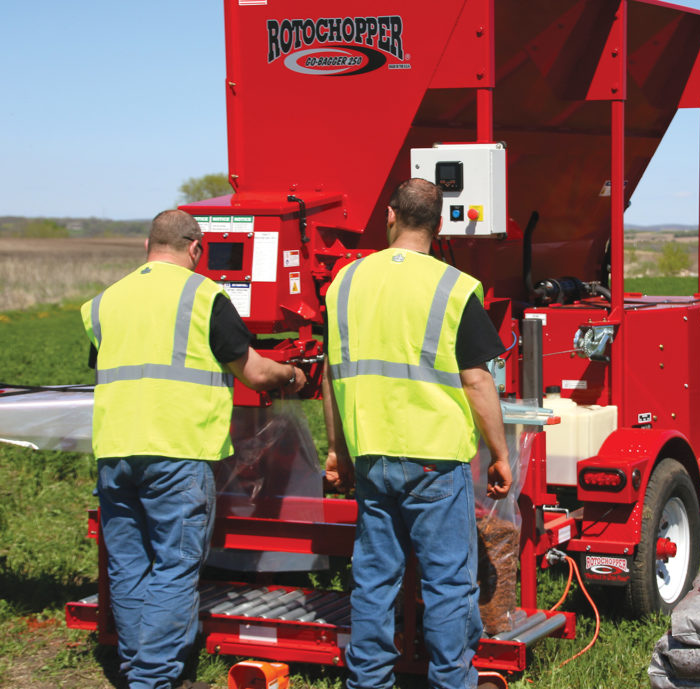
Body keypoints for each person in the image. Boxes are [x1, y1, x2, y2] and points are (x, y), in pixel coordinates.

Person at [81, 209, 307, 689]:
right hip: (177, 452)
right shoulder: (205, 296)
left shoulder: (105, 301)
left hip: (115, 451)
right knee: (174, 566)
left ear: (147, 246)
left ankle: (137, 669)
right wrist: (294, 374)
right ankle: (153, 678)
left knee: (129, 565)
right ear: (197, 250)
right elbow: (254, 373)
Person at [321, 178, 513, 689]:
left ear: (390, 216)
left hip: (370, 458)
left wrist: (337, 451)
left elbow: (331, 376)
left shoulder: (343, 283)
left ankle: (368, 682)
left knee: (373, 580)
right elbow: (477, 380)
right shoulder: (453, 287)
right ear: (441, 224)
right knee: (449, 583)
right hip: (433, 461)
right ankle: (452, 681)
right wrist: (500, 453)